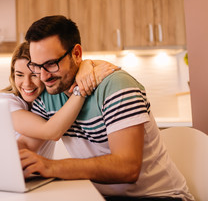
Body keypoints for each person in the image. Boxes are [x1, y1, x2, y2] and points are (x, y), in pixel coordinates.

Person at [20, 15, 194, 201]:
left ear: (76, 54)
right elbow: (27, 144)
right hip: (101, 196)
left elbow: (127, 168)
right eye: (36, 66)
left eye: (51, 64)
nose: (44, 76)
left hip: (161, 196)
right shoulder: (49, 95)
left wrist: (50, 167)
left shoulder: (117, 85)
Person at [0, 41, 118, 158]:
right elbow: (49, 132)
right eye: (19, 75)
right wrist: (81, 88)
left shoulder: (49, 97)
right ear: (13, 75)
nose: (27, 84)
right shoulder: (6, 102)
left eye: (34, 75)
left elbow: (107, 67)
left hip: (36, 174)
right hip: (13, 167)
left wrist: (86, 64)